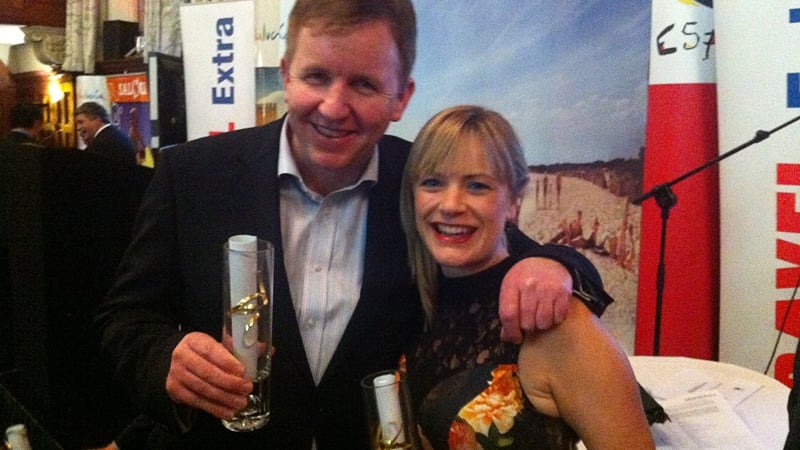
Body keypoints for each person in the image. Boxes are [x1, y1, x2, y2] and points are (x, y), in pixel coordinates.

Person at [93, 1, 612, 448]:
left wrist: (555, 263)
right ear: (287, 72)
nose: (334, 107)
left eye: (364, 84)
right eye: (316, 77)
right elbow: (126, 318)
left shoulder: (426, 181)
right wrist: (166, 360)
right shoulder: (194, 175)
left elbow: (521, 253)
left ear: (401, 97)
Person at [400, 105, 653, 449]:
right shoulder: (418, 295)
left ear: (514, 202)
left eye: (476, 185)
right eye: (432, 182)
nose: (450, 204)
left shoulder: (554, 319)